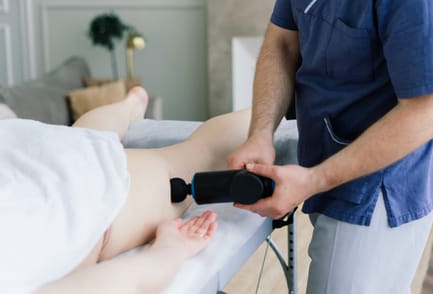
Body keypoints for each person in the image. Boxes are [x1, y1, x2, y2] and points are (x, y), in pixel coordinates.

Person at [227, 0, 433, 293]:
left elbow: (428, 113)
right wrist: (260, 133)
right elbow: (282, 42)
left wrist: (312, 180)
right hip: (322, 164)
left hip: (377, 192)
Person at [0, 87, 252, 294]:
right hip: (22, 148)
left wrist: (171, 250)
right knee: (83, 138)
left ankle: (282, 105)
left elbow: (126, 280)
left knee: (199, 153)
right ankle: (128, 106)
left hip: (76, 188)